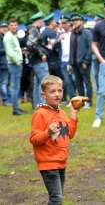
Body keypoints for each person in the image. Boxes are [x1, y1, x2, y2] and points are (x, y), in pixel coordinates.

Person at [30, 75, 80, 205]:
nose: (57, 94)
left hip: (60, 162)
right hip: (48, 163)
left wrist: (73, 115)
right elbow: (34, 138)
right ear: (43, 95)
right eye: (52, 91)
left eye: (59, 90)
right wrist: (47, 133)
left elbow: (70, 134)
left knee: (58, 198)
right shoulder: (40, 114)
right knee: (56, 199)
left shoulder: (61, 113)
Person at [67, 13, 93, 108]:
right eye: (73, 21)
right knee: (78, 83)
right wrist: (70, 62)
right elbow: (71, 49)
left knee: (87, 82)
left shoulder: (87, 33)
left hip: (83, 63)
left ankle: (89, 101)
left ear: (81, 22)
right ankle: (81, 101)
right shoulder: (72, 33)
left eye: (77, 20)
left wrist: (86, 61)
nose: (75, 22)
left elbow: (90, 48)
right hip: (74, 63)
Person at [3, 18, 27, 115]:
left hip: (16, 63)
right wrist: (18, 62)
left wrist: (21, 52)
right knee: (15, 87)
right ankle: (15, 110)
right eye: (12, 25)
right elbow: (10, 52)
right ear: (8, 26)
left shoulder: (13, 35)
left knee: (16, 86)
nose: (14, 27)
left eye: (15, 25)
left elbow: (14, 50)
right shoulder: (8, 37)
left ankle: (16, 108)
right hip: (14, 64)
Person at [27, 11, 49, 109]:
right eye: (42, 21)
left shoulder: (32, 29)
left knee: (37, 84)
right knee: (43, 83)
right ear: (39, 21)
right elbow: (30, 44)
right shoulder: (34, 30)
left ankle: (37, 106)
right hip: (39, 62)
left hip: (35, 62)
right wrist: (41, 54)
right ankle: (43, 106)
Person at [54, 15, 76, 107]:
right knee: (67, 81)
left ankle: (79, 97)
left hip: (73, 61)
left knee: (75, 80)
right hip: (63, 61)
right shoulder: (60, 34)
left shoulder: (73, 33)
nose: (63, 25)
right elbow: (53, 47)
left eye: (65, 23)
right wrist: (58, 40)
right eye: (62, 23)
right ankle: (72, 99)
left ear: (69, 24)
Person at [92, 13, 105, 93]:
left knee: (103, 74)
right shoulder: (94, 30)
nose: (97, 22)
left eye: (98, 20)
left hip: (103, 55)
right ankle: (98, 89)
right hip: (94, 55)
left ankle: (103, 89)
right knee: (95, 74)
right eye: (96, 21)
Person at [0, 20, 12, 106]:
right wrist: (7, 48)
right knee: (3, 83)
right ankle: (5, 100)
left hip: (10, 62)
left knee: (8, 83)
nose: (4, 28)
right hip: (2, 63)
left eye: (5, 27)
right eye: (2, 27)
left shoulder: (9, 36)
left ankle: (9, 99)